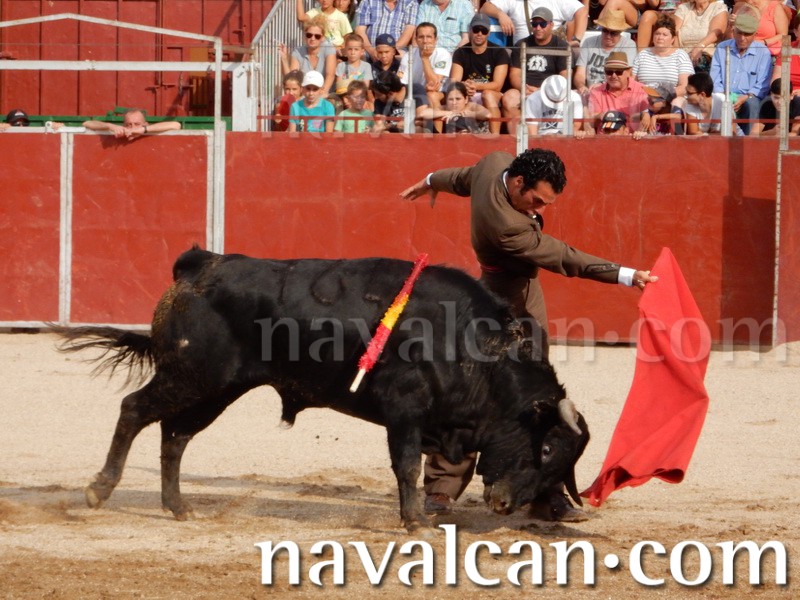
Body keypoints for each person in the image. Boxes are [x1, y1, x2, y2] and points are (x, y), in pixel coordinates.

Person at [399, 148, 657, 520]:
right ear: (518, 183)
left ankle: (544, 493)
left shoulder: (494, 165)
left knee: (537, 394)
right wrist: (626, 275)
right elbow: (564, 256)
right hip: (499, 297)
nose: (541, 209)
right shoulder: (507, 226)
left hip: (525, 293)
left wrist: (429, 181)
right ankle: (441, 487)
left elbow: (460, 178)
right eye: (537, 200)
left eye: (547, 202)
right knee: (470, 389)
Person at [502, 8, 569, 130]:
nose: (538, 28)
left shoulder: (561, 46)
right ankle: (519, 137)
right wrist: (524, 88)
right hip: (525, 89)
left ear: (551, 25)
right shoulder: (521, 44)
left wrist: (542, 91)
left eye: (542, 24)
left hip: (550, 91)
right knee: (509, 97)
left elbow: (565, 76)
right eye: (534, 24)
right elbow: (514, 75)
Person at [710, 12, 772, 134]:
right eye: (739, 33)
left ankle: (749, 142)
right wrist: (724, 96)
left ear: (755, 34)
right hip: (723, 94)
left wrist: (746, 97)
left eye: (747, 34)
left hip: (748, 97)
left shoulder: (763, 52)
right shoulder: (722, 48)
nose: (742, 38)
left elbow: (763, 84)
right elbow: (715, 78)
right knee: (715, 101)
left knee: (752, 104)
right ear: (733, 31)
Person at [450, 13, 511, 134]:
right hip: (469, 93)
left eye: (483, 30)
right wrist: (464, 86)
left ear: (488, 33)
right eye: (476, 29)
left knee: (487, 95)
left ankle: (495, 137)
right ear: (470, 30)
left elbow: (498, 85)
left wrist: (475, 86)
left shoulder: (499, 52)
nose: (479, 33)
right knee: (456, 94)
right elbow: (454, 81)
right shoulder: (460, 52)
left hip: (492, 93)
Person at [574, 9, 637, 96]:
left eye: (613, 33)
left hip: (614, 92)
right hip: (590, 92)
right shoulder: (589, 42)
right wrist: (581, 86)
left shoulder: (628, 45)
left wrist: (603, 86)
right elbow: (580, 73)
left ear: (620, 32)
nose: (608, 36)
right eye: (605, 31)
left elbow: (627, 76)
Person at [632, 14, 694, 99]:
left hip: (670, 99)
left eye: (665, 35)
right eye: (657, 34)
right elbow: (632, 82)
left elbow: (684, 86)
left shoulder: (681, 56)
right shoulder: (643, 54)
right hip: (643, 98)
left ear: (672, 39)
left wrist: (662, 96)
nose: (660, 37)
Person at [586, 51, 649, 133]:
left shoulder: (642, 90)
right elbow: (591, 123)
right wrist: (598, 116)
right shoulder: (596, 92)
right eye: (609, 71)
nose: (613, 76)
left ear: (628, 72)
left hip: (633, 138)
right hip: (606, 137)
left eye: (619, 72)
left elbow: (648, 118)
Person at [480, 0, 589, 47]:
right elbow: (485, 7)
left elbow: (582, 11)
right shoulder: (514, 1)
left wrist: (577, 39)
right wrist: (501, 15)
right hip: (522, 54)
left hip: (553, 55)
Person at [398, 22, 453, 111]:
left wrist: (425, 58)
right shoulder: (408, 55)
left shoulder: (443, 54)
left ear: (435, 39)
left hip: (440, 93)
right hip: (415, 93)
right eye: (421, 37)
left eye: (429, 37)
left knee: (431, 95)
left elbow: (434, 84)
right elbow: (402, 83)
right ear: (416, 39)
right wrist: (421, 90)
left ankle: (436, 120)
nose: (425, 41)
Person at [279, 16, 337, 95]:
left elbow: (330, 75)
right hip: (305, 95)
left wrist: (321, 94)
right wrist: (284, 59)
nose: (312, 38)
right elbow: (292, 79)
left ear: (322, 38)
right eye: (309, 35)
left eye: (317, 36)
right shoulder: (297, 52)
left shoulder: (329, 49)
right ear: (305, 36)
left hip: (325, 93)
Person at [673, 0, 729, 72]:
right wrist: (678, 53)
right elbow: (674, 33)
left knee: (698, 65)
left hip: (706, 51)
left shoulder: (718, 8)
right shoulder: (683, 8)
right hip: (682, 52)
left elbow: (716, 33)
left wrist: (698, 48)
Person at [417, 81, 493, 132]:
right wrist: (448, 113)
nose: (454, 103)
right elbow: (422, 114)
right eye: (450, 99)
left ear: (466, 99)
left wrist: (465, 114)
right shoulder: (444, 108)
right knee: (419, 128)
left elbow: (488, 115)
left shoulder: (471, 106)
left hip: (474, 139)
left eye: (458, 99)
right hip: (448, 141)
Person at [83, 109, 181, 140]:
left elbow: (176, 125)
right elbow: (86, 123)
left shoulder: (148, 131)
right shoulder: (120, 132)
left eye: (137, 124)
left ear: (145, 124)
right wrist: (110, 126)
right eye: (129, 124)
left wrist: (143, 130)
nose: (133, 128)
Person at [335, 32, 374, 97]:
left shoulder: (366, 66)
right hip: (343, 96)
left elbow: (365, 87)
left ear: (362, 51)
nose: (353, 52)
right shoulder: (341, 66)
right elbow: (339, 86)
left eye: (356, 49)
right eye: (350, 49)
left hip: (360, 97)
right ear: (345, 50)